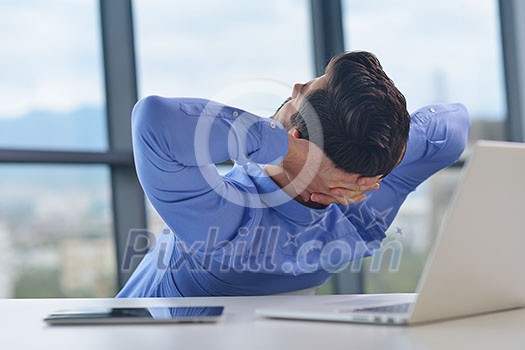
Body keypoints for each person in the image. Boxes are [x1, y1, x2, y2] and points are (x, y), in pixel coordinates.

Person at [117, 51, 470, 298]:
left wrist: (285, 152)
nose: (297, 86)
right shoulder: (361, 214)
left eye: (303, 93)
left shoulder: (228, 224)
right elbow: (454, 125)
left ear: (299, 140)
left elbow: (154, 121)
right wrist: (386, 157)